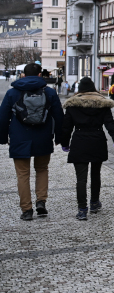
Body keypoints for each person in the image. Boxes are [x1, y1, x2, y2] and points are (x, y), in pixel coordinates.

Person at [0, 63, 65, 221]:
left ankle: (26, 210)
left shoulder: (12, 93)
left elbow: (2, 117)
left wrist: (2, 137)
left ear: (23, 75)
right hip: (43, 137)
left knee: (22, 174)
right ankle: (41, 202)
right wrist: (61, 138)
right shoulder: (49, 92)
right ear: (40, 75)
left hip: (19, 137)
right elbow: (59, 116)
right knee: (42, 169)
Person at [59, 77, 114, 221]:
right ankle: (94, 203)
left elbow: (66, 127)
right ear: (93, 88)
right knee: (95, 174)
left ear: (79, 89)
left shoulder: (72, 105)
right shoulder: (102, 104)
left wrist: (64, 142)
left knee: (81, 179)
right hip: (97, 140)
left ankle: (82, 209)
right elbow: (109, 123)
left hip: (79, 141)